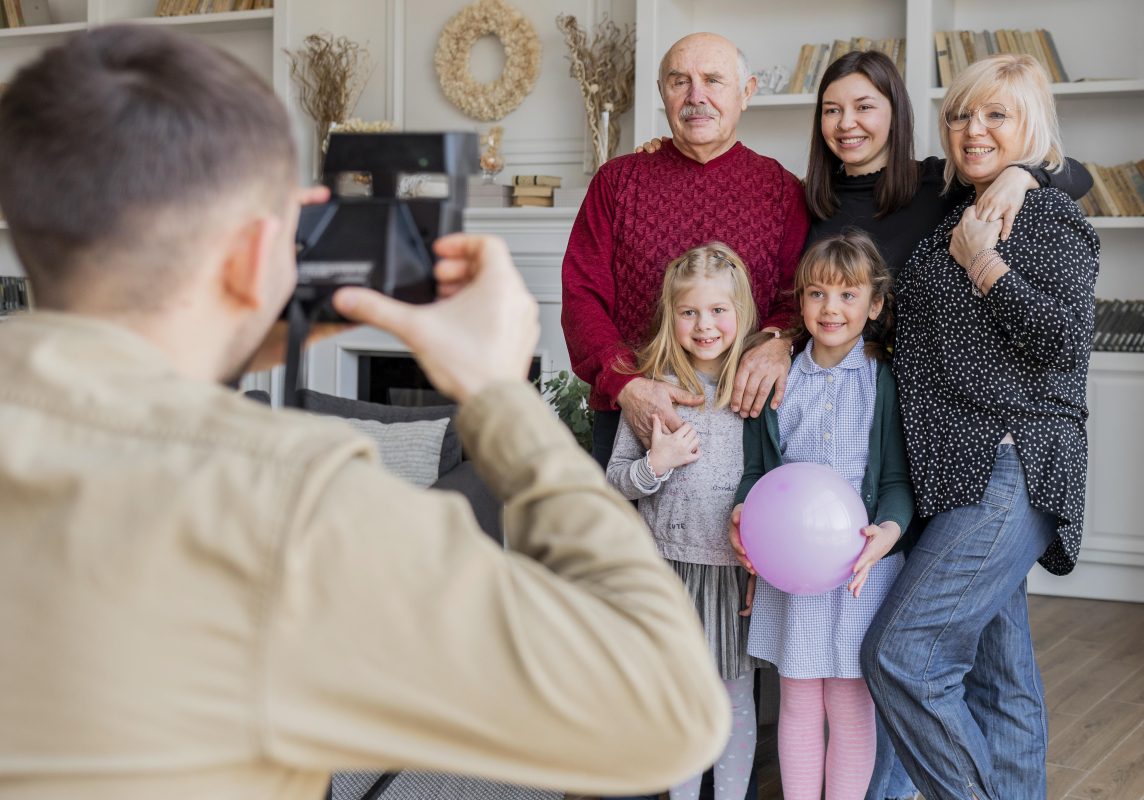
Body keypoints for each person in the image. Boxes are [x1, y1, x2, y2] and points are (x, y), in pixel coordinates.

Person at [0, 25, 735, 800]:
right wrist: (500, 399)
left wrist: (238, 329)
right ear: (260, 252)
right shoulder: (288, 506)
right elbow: (668, 709)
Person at [637, 48, 1093, 800]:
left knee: (902, 656)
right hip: (934, 450)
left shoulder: (947, 189)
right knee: (997, 668)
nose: (848, 123)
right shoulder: (811, 203)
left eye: (866, 106)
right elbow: (780, 294)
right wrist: (780, 336)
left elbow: (1061, 182)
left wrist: (1029, 172)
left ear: (898, 114)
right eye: (832, 108)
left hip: (990, 452)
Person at [859, 54, 1099, 800]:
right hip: (954, 470)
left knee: (901, 653)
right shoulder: (955, 210)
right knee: (1001, 676)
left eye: (996, 114)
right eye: (962, 113)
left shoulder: (1044, 215)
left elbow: (1065, 340)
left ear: (1031, 126)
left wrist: (986, 263)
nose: (974, 129)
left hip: (1008, 462)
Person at [561, 32, 810, 473]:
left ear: (746, 92)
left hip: (743, 418)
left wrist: (778, 341)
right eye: (679, 82)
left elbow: (796, 298)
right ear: (663, 94)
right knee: (622, 542)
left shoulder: (782, 191)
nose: (697, 96)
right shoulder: (617, 182)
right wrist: (628, 385)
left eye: (713, 80)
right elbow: (582, 295)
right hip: (629, 414)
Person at [728, 231, 913, 800]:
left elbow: (895, 482)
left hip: (861, 567)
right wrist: (742, 512)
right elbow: (757, 471)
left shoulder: (884, 379)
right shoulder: (780, 379)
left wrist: (890, 531)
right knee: (799, 699)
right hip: (793, 574)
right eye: (816, 295)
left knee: (852, 703)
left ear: (874, 304)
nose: (830, 309)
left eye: (848, 296)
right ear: (799, 303)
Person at [606, 243, 760, 800]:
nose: (704, 325)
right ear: (672, 317)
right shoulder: (654, 393)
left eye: (718, 310)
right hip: (666, 572)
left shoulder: (754, 391)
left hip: (733, 573)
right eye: (689, 311)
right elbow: (614, 481)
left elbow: (775, 485)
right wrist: (655, 464)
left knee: (733, 698)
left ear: (740, 311)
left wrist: (762, 565)